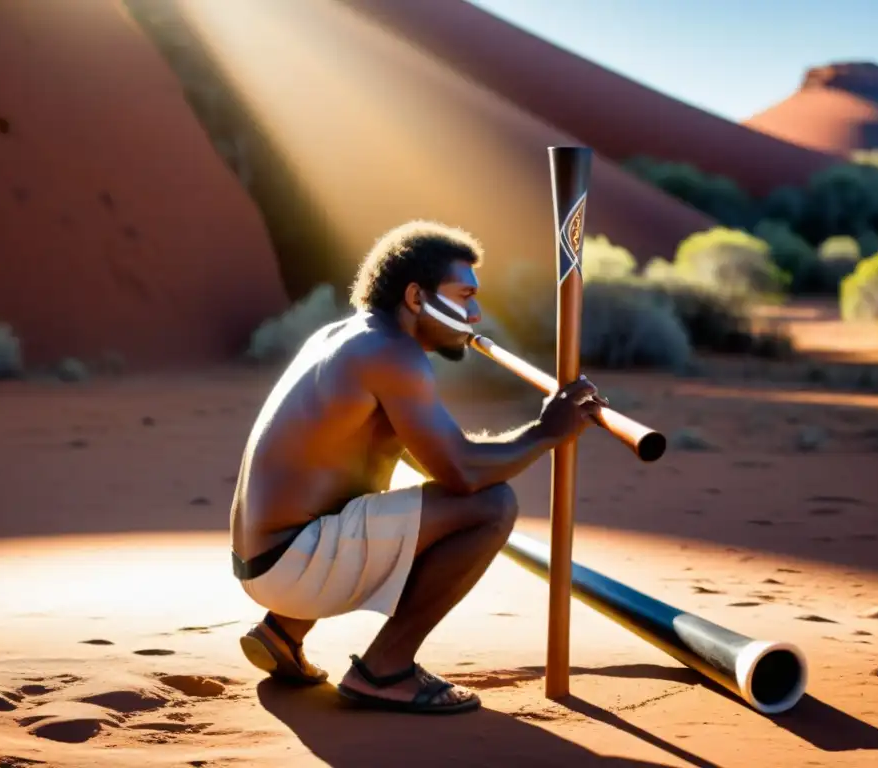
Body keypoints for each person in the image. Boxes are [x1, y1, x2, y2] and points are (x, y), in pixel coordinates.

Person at [229, 220, 606, 714]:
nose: (474, 313)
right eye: (464, 295)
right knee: (491, 506)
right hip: (291, 563)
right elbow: (464, 475)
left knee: (429, 496)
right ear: (415, 296)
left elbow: (439, 454)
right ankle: (385, 670)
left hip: (267, 560)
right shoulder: (391, 354)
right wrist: (546, 433)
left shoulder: (348, 336)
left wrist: (525, 439)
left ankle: (283, 631)